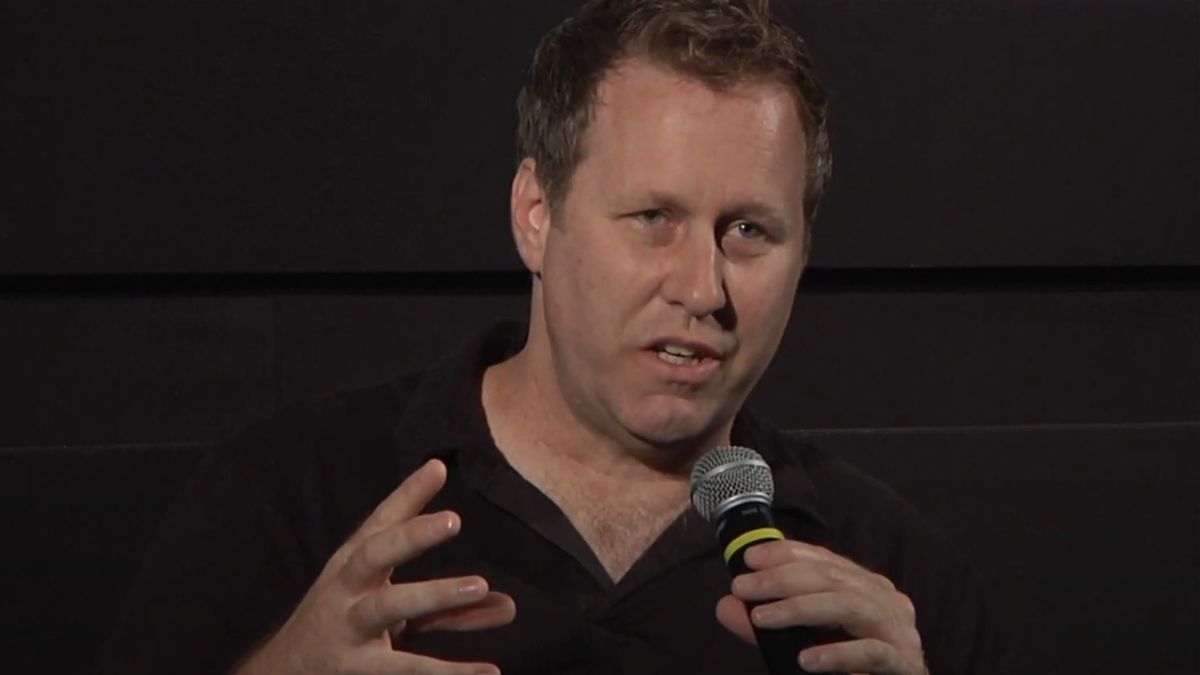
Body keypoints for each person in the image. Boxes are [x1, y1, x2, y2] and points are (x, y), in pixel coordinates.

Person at [96, 1, 1004, 673]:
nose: (703, 287)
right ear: (537, 214)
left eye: (749, 232)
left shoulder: (891, 578)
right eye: (654, 217)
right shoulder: (293, 499)